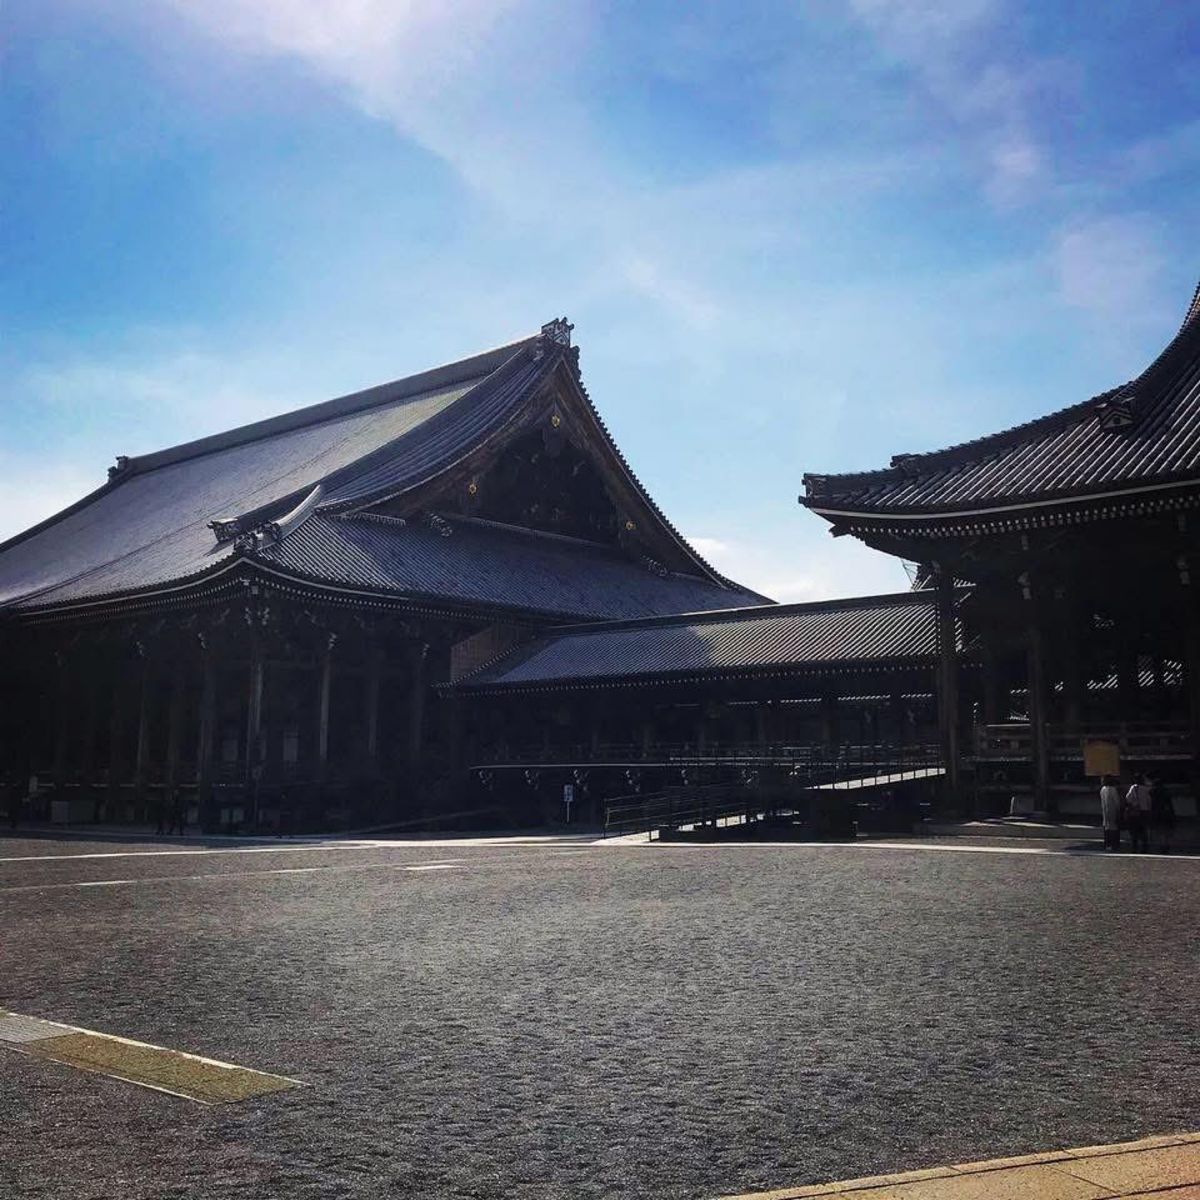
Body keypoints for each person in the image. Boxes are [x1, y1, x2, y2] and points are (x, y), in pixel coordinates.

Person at [1124, 774, 1152, 853]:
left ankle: (1134, 847)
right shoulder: (1146, 789)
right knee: (1143, 831)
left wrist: (1134, 804)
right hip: (1145, 811)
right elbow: (1149, 801)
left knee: (1134, 831)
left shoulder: (1133, 788)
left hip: (1135, 812)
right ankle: (1144, 848)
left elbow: (1128, 798)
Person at [1149, 776, 1175, 854]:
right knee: (1166, 831)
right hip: (1166, 813)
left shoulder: (1152, 792)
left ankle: (1162, 846)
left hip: (1156, 813)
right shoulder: (1166, 792)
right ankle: (1166, 845)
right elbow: (1170, 804)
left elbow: (1151, 803)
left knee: (1160, 831)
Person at [1099, 774, 1122, 851]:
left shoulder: (1103, 789)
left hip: (1105, 811)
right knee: (1114, 828)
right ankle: (1114, 844)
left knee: (1107, 828)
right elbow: (1117, 802)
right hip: (1113, 811)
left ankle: (1107, 844)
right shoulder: (1113, 789)